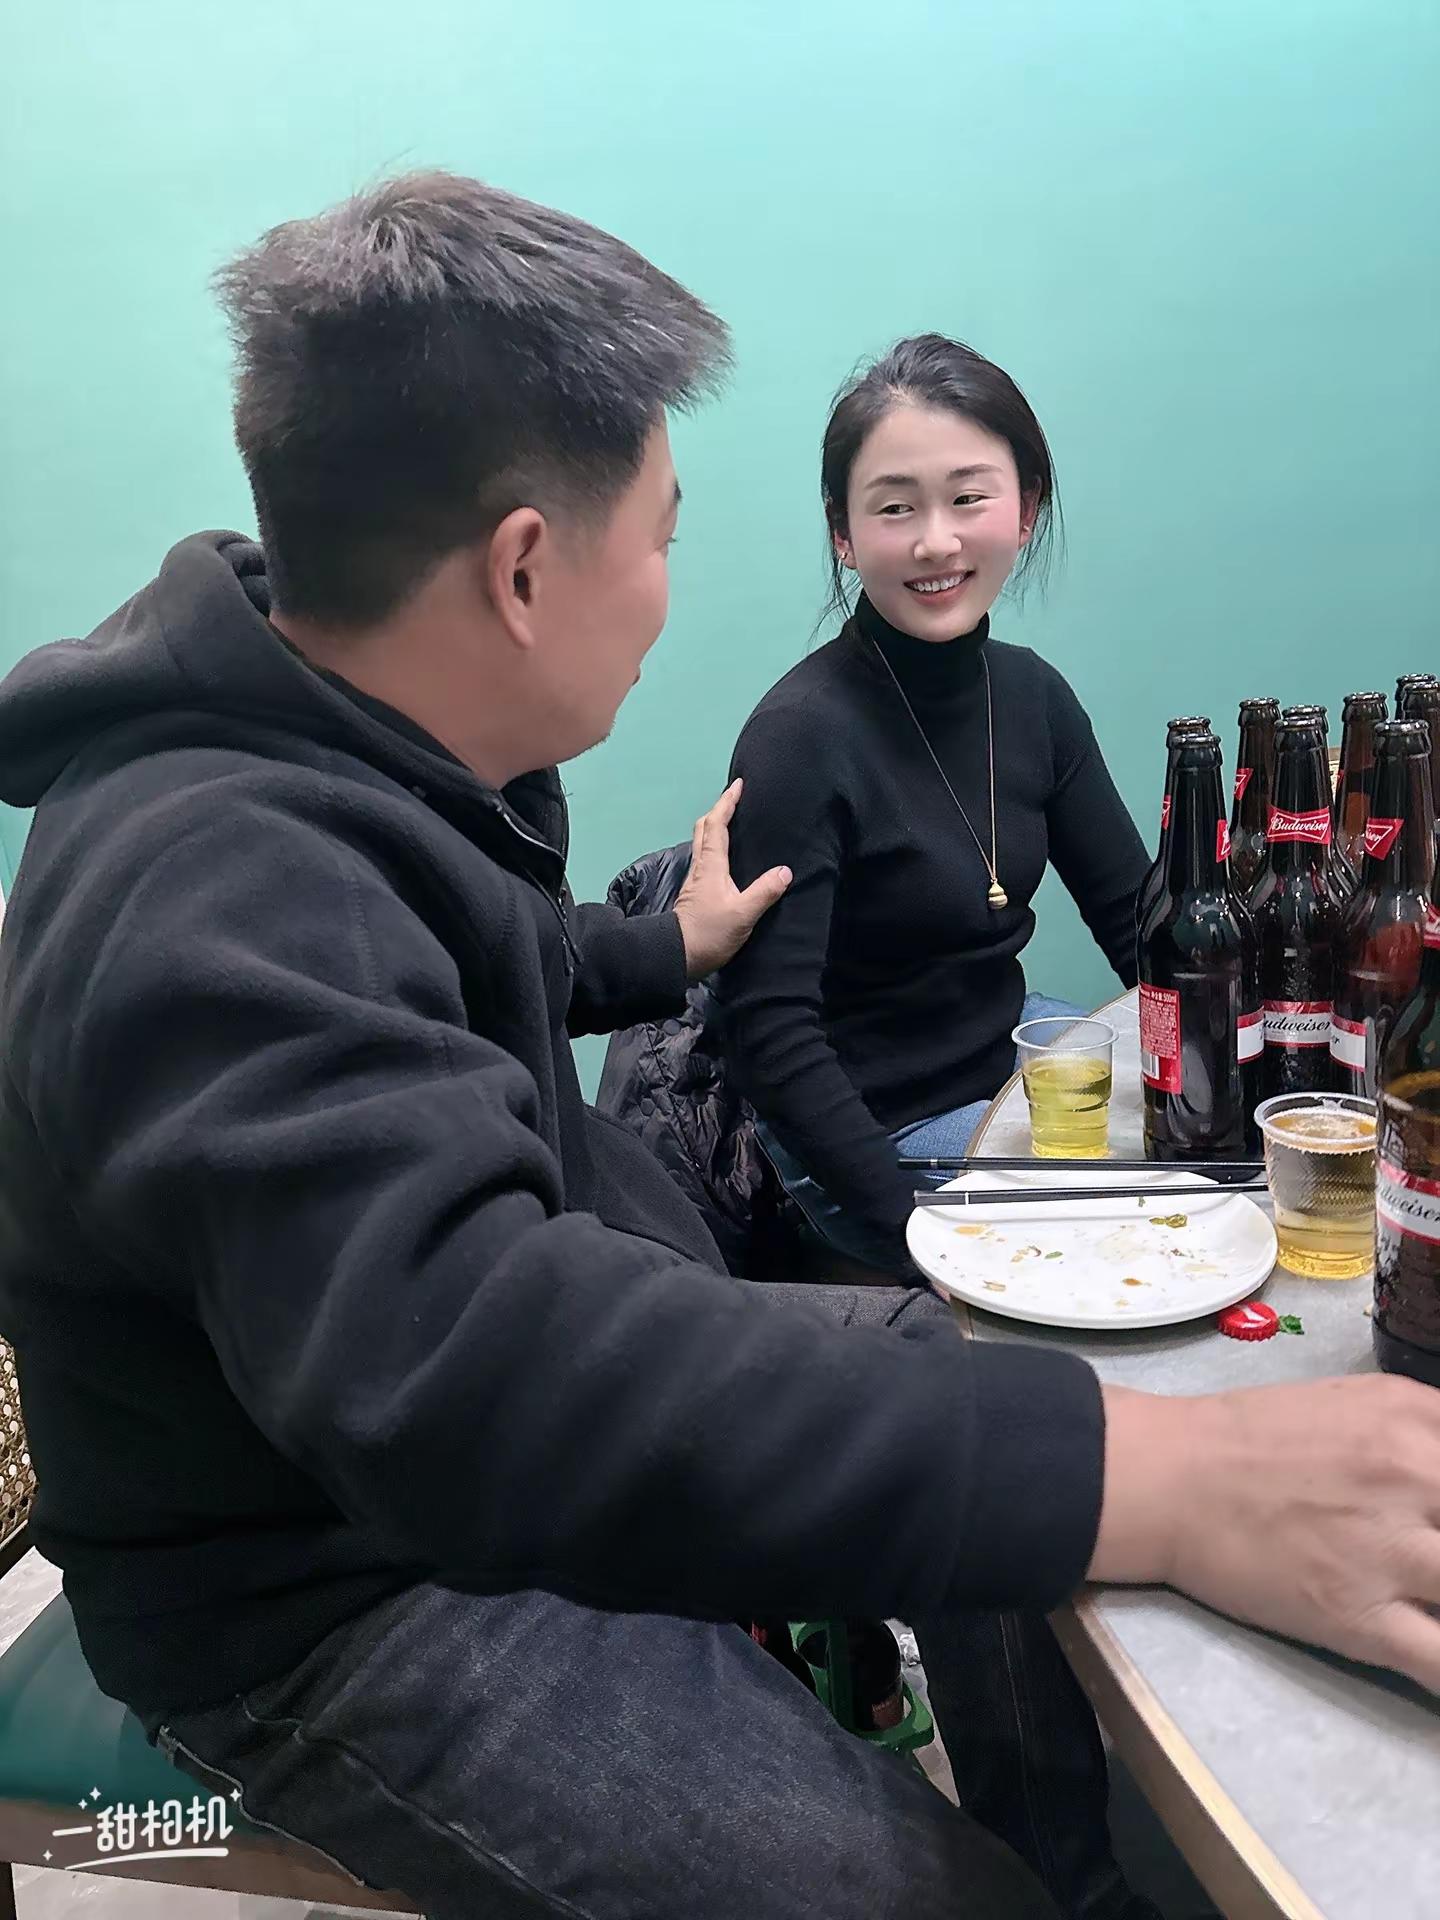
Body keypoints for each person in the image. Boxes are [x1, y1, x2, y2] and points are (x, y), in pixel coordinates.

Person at [3, 174, 1440, 1920]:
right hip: (337, 1600)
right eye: (664, 536)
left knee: (977, 1377)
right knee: (931, 1887)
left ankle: (1077, 1860)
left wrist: (656, 946)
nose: (671, 590)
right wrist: (1180, 1478)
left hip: (467, 1439)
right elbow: (484, 1377)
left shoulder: (351, 753)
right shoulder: (214, 884)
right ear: (526, 569)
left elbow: (483, 955)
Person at [721, 336, 1148, 1273]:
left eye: (968, 498)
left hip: (998, 1053)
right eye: (895, 507)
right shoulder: (798, 738)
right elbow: (772, 1039)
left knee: (1209, 1159)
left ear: (1026, 509)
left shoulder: (1034, 697)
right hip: (869, 1130)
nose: (936, 542)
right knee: (1124, 1248)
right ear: (842, 531)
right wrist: (920, 1228)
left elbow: (1140, 927)